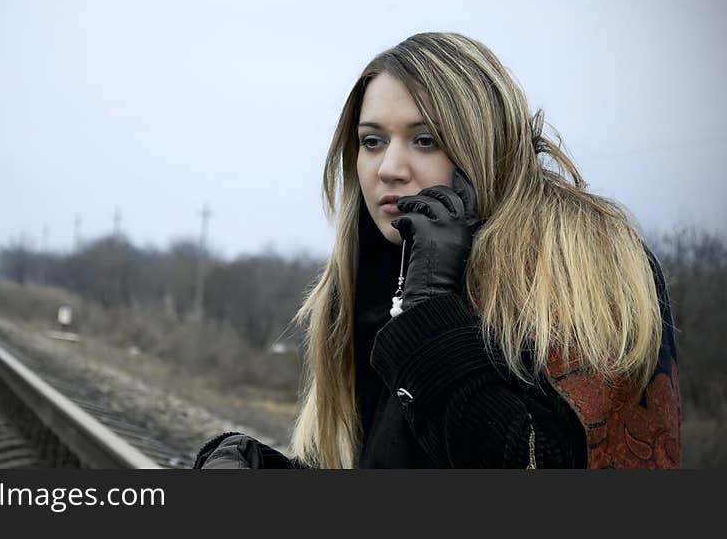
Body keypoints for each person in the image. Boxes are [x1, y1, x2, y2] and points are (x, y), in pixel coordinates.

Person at [193, 32, 680, 469]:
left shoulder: (577, 257)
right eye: (372, 140)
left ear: (482, 148)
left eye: (424, 140)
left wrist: (431, 312)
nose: (389, 167)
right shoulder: (377, 269)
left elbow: (538, 463)